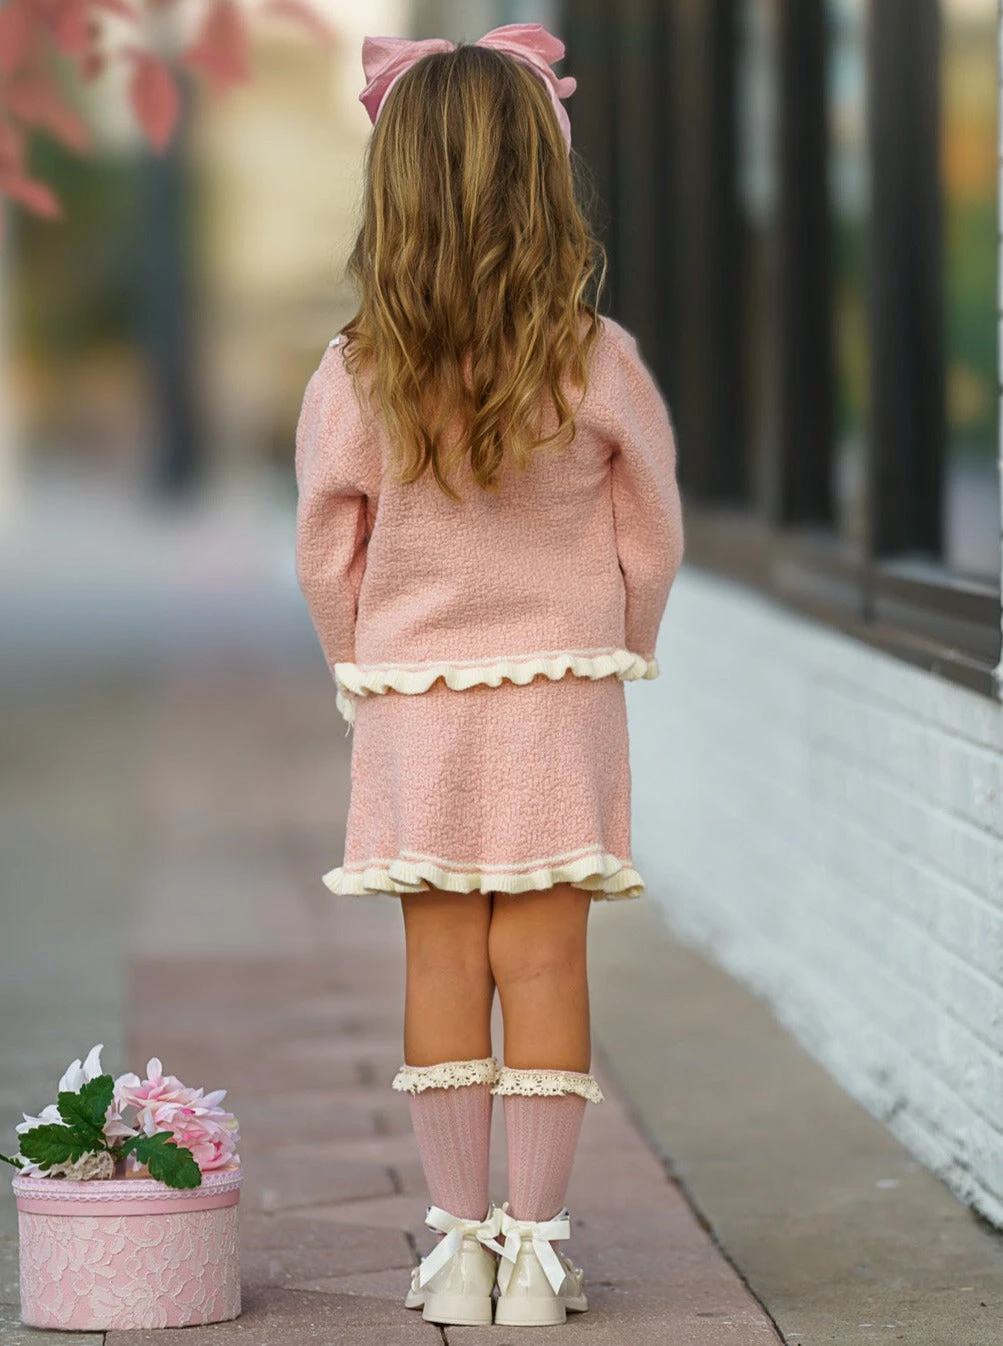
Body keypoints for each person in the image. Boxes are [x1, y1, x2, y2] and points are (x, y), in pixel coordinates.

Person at [294, 21, 684, 1330]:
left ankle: (458, 1246)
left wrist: (357, 665)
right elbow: (650, 532)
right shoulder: (596, 357)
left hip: (415, 700)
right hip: (560, 697)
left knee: (441, 963)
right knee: (549, 964)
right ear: (546, 183)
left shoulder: (357, 369)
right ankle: (537, 1259)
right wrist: (623, 638)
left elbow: (328, 547)